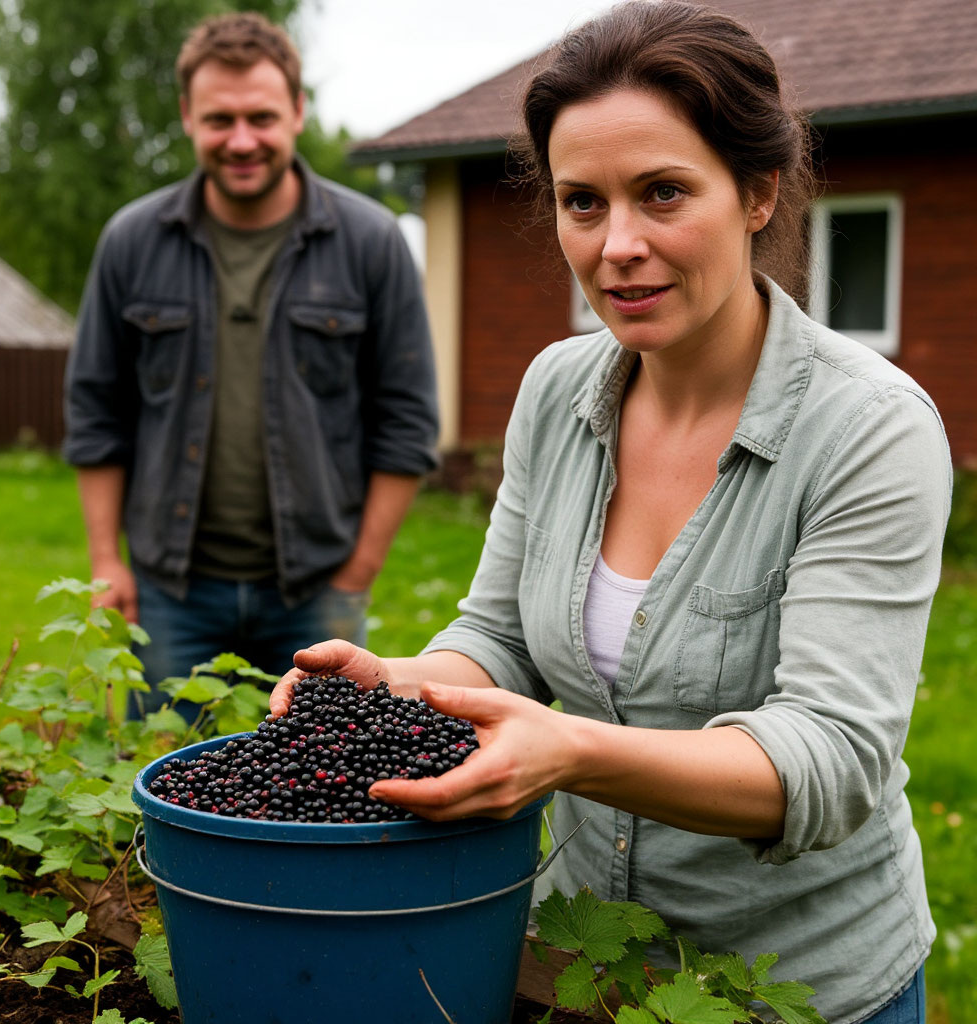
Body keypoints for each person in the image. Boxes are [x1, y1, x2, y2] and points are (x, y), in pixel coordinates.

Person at [269, 3, 950, 1022]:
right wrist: (402, 684)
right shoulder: (556, 387)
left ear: (757, 193)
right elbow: (498, 633)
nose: (618, 244)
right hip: (581, 965)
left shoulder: (868, 428)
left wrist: (570, 750)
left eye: (662, 192)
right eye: (581, 202)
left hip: (798, 989)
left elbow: (831, 758)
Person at [63, 12, 439, 714]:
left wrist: (357, 574)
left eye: (261, 117)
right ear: (186, 117)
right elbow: (95, 412)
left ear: (298, 111)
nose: (241, 141)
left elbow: (408, 421)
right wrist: (105, 562)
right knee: (166, 779)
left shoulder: (370, 242)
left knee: (318, 790)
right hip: (169, 588)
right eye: (219, 119)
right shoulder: (132, 241)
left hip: (316, 587)